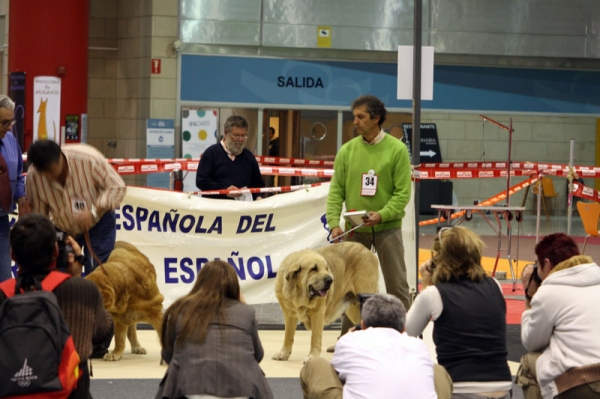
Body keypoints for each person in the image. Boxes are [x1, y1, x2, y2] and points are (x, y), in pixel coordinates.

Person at [0, 213, 113, 399]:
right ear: (55, 251)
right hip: (70, 392)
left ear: (12, 254)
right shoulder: (83, 290)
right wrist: (76, 277)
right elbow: (104, 331)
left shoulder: (2, 294)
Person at [326, 95, 412, 335]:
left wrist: (383, 215)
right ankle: (348, 337)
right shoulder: (347, 151)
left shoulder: (397, 150)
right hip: (355, 230)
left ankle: (405, 335)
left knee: (397, 285)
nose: (355, 122)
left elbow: (402, 193)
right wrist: (334, 224)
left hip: (388, 227)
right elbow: (336, 192)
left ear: (376, 119)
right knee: (349, 288)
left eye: (360, 117)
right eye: (355, 117)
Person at [406, 226, 512, 398]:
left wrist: (426, 284)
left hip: (460, 386)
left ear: (438, 259)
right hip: (502, 384)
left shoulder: (434, 295)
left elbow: (406, 333)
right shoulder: (495, 286)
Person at [156, 260, 273, 399]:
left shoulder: (179, 309)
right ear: (234, 286)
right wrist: (243, 304)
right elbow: (258, 356)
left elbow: (167, 354)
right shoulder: (246, 312)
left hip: (189, 390)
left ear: (199, 283)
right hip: (243, 391)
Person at [300, 293, 452, 399]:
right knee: (437, 371)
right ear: (404, 328)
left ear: (363, 324)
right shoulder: (418, 345)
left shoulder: (350, 341)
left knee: (315, 364)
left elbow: (340, 375)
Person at [517, 233, 600, 399]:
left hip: (582, 382)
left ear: (547, 264)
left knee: (529, 363)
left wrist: (530, 298)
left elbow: (531, 341)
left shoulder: (550, 291)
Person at [25, 139, 127, 274]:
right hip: (62, 229)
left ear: (59, 157)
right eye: (42, 173)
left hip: (99, 224)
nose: (47, 177)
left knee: (98, 275)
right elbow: (40, 216)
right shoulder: (34, 176)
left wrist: (94, 210)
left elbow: (117, 187)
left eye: (50, 171)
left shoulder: (89, 159)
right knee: (60, 277)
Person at [196, 115, 265, 200]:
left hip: (242, 209)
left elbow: (258, 185)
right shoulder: (211, 153)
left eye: (243, 136)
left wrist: (258, 197)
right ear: (226, 133)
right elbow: (201, 181)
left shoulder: (249, 157)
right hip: (215, 207)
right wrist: (224, 190)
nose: (240, 139)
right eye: (236, 135)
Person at [0, 95, 29, 282]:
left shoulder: (10, 141)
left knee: (4, 277)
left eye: (11, 121)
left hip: (2, 220)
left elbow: (18, 176)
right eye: (4, 122)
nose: (9, 127)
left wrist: (22, 199)